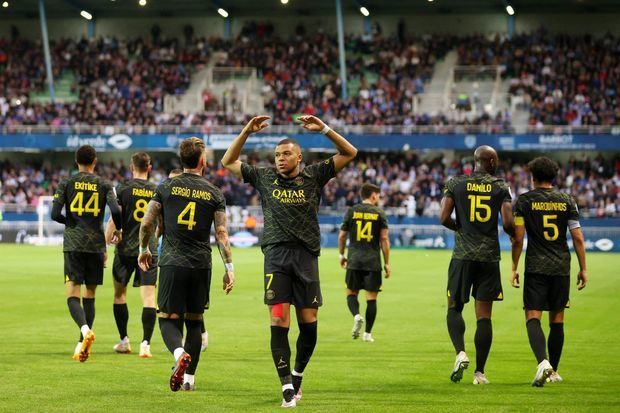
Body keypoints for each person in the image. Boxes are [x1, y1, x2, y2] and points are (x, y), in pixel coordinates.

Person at [221, 115, 357, 408]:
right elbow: (228, 161)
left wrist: (324, 129)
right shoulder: (264, 177)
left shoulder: (314, 176)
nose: (280, 159)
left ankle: (297, 375)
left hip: (306, 258)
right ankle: (286, 386)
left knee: (309, 324)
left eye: (285, 154)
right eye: (276, 155)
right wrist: (246, 131)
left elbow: (350, 152)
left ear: (299, 157)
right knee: (278, 319)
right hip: (276, 258)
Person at [138, 137, 234, 392]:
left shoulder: (166, 186)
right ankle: (189, 380)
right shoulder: (214, 192)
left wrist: (143, 249)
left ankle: (179, 353)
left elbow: (146, 223)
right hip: (201, 264)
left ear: (181, 160)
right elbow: (222, 234)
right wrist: (229, 268)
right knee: (194, 321)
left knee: (167, 318)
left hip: (172, 261)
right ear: (203, 161)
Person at [439, 145, 514, 385]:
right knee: (484, 317)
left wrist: (459, 229)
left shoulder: (456, 183)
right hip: (489, 258)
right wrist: (514, 236)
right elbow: (508, 223)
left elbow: (443, 217)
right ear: (490, 162)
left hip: (462, 255)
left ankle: (460, 352)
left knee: (454, 307)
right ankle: (479, 373)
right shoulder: (501, 186)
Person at [511, 156, 588, 386]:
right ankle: (553, 371)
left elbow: (518, 238)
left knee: (532, 316)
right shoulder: (567, 201)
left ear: (532, 177)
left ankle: (543, 362)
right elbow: (578, 238)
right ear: (553, 177)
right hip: (561, 267)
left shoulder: (525, 201)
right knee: (557, 319)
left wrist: (514, 267)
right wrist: (583, 268)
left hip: (536, 266)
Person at [51, 145, 122, 362]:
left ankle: (84, 330)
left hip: (74, 243)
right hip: (95, 244)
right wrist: (118, 230)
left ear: (76, 161)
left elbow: (54, 214)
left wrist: (70, 222)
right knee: (90, 295)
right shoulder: (105, 184)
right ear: (95, 161)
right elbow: (116, 210)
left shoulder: (66, 183)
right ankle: (81, 344)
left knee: (72, 294)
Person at [105, 152, 158, 358]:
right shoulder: (157, 190)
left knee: (119, 295)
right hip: (148, 250)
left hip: (125, 249)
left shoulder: (123, 188)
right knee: (149, 298)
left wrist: (104, 245)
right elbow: (161, 223)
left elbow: (114, 219)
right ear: (149, 167)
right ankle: (145, 344)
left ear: (131, 166)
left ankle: (124, 341)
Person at [338, 183, 391, 343]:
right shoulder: (379, 213)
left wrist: (341, 254)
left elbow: (342, 236)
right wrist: (387, 263)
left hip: (354, 259)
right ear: (373, 195)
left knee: (351, 293)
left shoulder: (352, 211)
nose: (379, 198)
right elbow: (384, 239)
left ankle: (356, 315)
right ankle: (367, 334)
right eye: (378, 195)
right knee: (371, 298)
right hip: (373, 261)